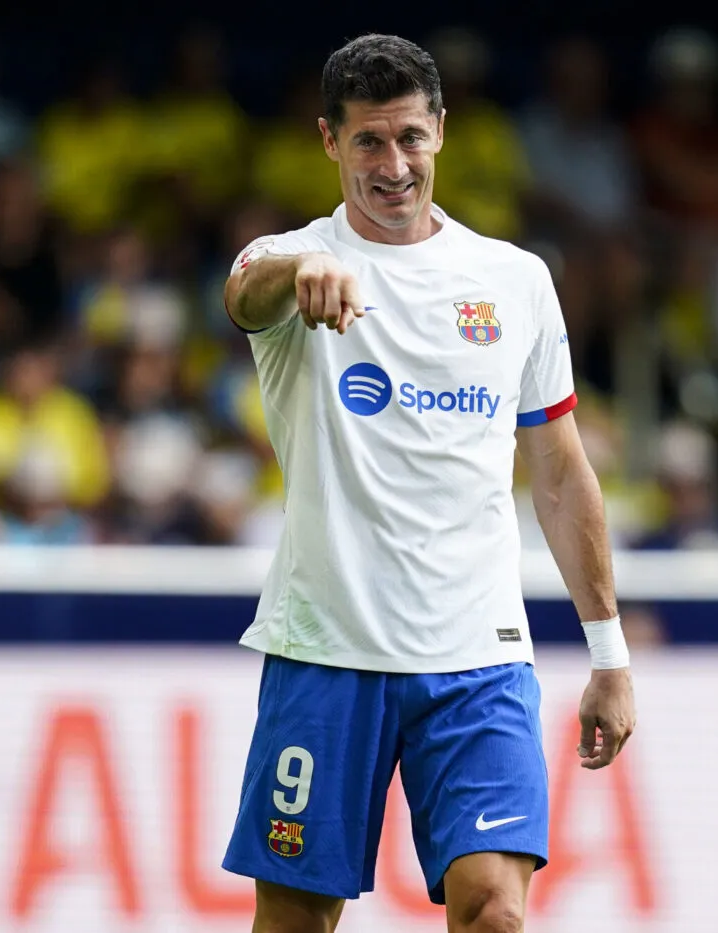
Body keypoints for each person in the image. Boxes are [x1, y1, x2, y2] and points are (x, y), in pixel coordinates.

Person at [219, 34, 634, 933]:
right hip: (328, 650)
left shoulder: (515, 280)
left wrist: (608, 655)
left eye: (410, 136)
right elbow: (244, 292)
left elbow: (560, 474)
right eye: (368, 141)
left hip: (477, 655)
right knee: (295, 919)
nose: (394, 164)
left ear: (441, 131)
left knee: (494, 908)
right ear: (329, 142)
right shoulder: (291, 261)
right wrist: (302, 272)